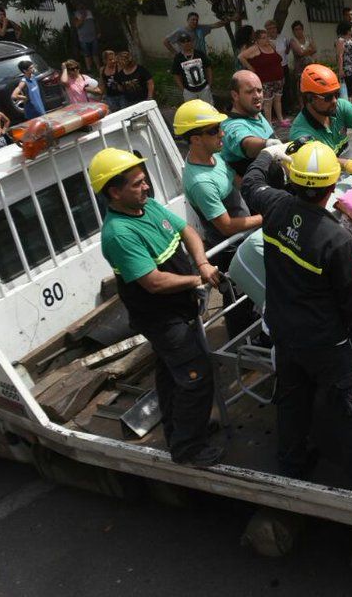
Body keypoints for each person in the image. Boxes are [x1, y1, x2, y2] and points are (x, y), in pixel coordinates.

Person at [241, 141, 352, 492]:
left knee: (292, 399)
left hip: (285, 332)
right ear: (332, 187)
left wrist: (269, 153)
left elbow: (250, 183)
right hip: (326, 343)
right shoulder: (335, 239)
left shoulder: (274, 206)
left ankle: (292, 463)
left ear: (292, 178)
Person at [91, 147, 224, 468]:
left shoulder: (146, 207)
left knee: (171, 374)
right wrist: (197, 280)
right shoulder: (119, 234)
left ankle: (180, 429)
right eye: (136, 184)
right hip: (162, 317)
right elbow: (153, 282)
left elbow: (186, 230)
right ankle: (189, 448)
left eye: (143, 180)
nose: (146, 187)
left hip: (179, 309)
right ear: (114, 191)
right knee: (196, 376)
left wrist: (202, 262)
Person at [176, 99, 263, 342]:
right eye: (214, 130)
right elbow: (225, 225)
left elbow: (236, 179)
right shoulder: (201, 182)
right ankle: (241, 344)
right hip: (230, 248)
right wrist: (264, 218)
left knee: (251, 293)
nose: (221, 133)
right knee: (237, 300)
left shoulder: (214, 158)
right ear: (195, 139)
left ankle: (254, 332)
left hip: (243, 236)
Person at [221, 71, 277, 177]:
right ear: (235, 95)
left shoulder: (254, 112)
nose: (257, 96)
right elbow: (246, 143)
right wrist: (267, 144)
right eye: (250, 92)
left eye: (260, 90)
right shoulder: (231, 126)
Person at [239, 30, 287, 128]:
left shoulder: (271, 46)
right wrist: (250, 67)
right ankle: (268, 123)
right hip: (266, 80)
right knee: (267, 102)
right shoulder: (255, 49)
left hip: (278, 78)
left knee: (278, 100)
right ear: (257, 40)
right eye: (263, 38)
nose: (266, 40)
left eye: (267, 37)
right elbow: (241, 57)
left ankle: (281, 119)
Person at [171, 33, 213, 105]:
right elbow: (176, 74)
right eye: (183, 42)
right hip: (189, 91)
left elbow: (208, 68)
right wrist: (183, 89)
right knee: (192, 110)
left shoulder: (199, 54)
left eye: (188, 41)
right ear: (180, 44)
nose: (186, 43)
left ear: (192, 42)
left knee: (209, 108)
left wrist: (210, 83)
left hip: (204, 89)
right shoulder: (178, 58)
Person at [163, 11, 228, 57]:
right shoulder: (180, 31)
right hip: (185, 58)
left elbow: (215, 25)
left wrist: (230, 19)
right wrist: (175, 54)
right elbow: (166, 41)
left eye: (197, 20)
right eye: (193, 20)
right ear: (188, 20)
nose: (195, 22)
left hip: (199, 57)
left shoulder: (200, 29)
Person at [72, 6, 98, 72]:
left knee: (95, 53)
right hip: (83, 39)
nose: (82, 7)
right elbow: (77, 25)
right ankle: (90, 69)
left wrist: (98, 31)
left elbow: (95, 22)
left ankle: (98, 68)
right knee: (87, 54)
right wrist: (83, 17)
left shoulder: (89, 12)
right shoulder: (76, 14)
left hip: (93, 37)